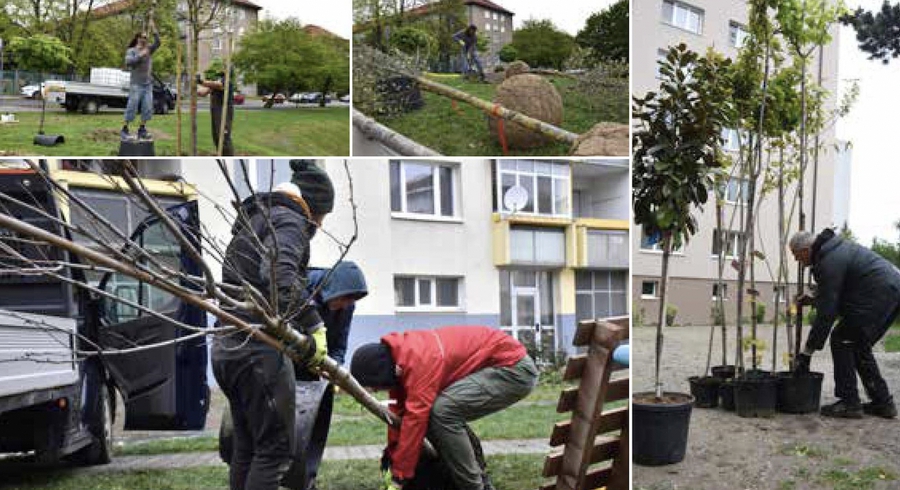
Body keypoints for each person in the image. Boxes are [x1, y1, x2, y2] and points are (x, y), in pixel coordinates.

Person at [213, 160, 335, 490]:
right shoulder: (290, 221)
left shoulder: (256, 220)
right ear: (309, 204)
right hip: (256, 350)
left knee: (248, 447)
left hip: (226, 345)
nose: (320, 225)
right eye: (321, 216)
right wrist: (314, 326)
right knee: (277, 451)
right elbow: (279, 279)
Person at [351, 326, 539, 490]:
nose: (377, 390)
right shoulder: (402, 359)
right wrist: (394, 456)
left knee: (442, 412)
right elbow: (399, 416)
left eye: (374, 386)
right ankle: (481, 483)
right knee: (439, 412)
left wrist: (399, 477)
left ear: (379, 373)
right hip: (500, 364)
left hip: (513, 368)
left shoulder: (419, 360)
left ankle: (473, 487)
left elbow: (415, 421)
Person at [789, 229, 899, 419]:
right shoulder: (832, 252)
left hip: (879, 293)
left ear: (806, 250)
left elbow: (827, 313)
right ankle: (883, 402)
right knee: (858, 345)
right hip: (889, 290)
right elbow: (835, 293)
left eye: (796, 255)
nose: (796, 260)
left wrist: (806, 353)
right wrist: (815, 299)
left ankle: (850, 403)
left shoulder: (828, 260)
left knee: (842, 339)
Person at [302, 261, 369, 490]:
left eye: (352, 301)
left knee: (314, 424)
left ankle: (306, 477)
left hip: (319, 368)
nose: (346, 305)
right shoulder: (302, 289)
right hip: (290, 363)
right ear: (334, 289)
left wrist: (335, 368)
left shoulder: (346, 306)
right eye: (345, 299)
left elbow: (340, 343)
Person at [122, 29, 161, 140]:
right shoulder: (132, 51)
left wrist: (155, 32)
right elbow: (128, 62)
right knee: (132, 107)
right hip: (136, 84)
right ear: (138, 38)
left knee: (147, 108)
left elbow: (158, 43)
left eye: (146, 38)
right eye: (142, 37)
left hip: (147, 85)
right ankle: (125, 129)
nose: (144, 39)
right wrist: (140, 55)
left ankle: (142, 130)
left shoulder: (149, 49)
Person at [198, 59, 235, 155]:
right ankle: (221, 154)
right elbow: (203, 93)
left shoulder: (227, 82)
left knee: (224, 136)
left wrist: (201, 81)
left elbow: (218, 85)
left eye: (224, 67)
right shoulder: (217, 81)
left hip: (224, 111)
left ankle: (228, 156)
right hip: (215, 111)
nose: (221, 68)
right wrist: (195, 87)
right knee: (216, 136)